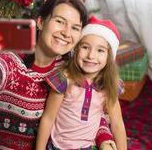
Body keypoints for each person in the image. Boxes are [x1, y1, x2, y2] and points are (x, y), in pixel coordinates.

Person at [0, 0, 116, 149]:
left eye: (75, 27)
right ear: (40, 22)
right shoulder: (10, 63)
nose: (67, 33)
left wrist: (105, 140)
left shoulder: (71, 68)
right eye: (60, 21)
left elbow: (90, 112)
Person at [36, 16, 127, 150]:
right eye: (85, 47)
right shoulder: (64, 79)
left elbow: (117, 123)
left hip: (88, 147)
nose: (91, 56)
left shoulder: (108, 84)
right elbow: (48, 118)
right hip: (59, 147)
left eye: (100, 50)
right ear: (76, 49)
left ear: (109, 57)